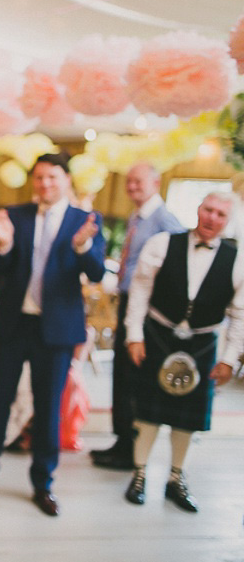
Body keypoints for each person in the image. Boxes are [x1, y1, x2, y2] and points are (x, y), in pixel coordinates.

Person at [0, 151, 105, 517]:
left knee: (48, 407)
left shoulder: (84, 220)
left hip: (56, 329)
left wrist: (83, 246)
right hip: (12, 322)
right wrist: (3, 245)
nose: (45, 184)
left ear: (66, 179)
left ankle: (43, 483)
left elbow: (97, 272)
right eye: (39, 178)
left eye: (52, 177)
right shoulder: (14, 215)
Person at [122, 192, 243, 512]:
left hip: (202, 344)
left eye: (220, 214)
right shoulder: (162, 244)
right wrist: (134, 335)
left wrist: (230, 359)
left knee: (187, 422)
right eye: (208, 210)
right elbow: (139, 290)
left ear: (227, 220)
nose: (212, 218)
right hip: (158, 336)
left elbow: (240, 315)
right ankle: (140, 474)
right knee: (147, 414)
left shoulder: (238, 259)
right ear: (198, 209)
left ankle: (176, 477)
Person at [91, 162, 182, 470]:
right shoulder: (136, 217)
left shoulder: (165, 220)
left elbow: (177, 266)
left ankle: (132, 450)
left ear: (156, 182)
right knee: (122, 376)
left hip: (145, 307)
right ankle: (121, 441)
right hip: (128, 300)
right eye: (128, 182)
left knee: (133, 376)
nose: (131, 187)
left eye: (138, 181)